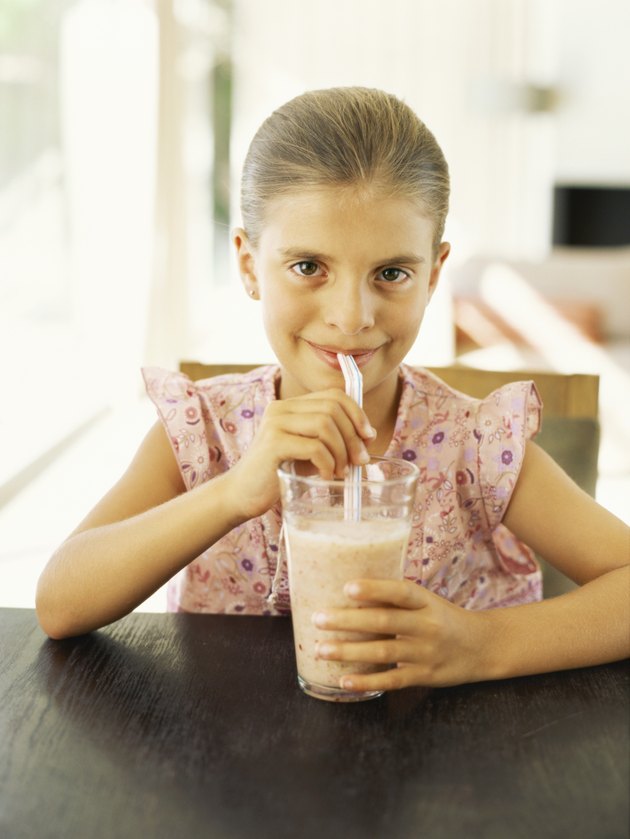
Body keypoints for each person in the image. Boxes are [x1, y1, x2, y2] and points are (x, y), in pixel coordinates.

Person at [36, 87, 629, 692]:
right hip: (226, 765)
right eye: (308, 267)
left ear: (433, 276)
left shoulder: (476, 449)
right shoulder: (201, 433)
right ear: (248, 265)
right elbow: (60, 603)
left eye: (392, 273)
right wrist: (233, 494)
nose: (351, 317)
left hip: (433, 767)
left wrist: (483, 647)